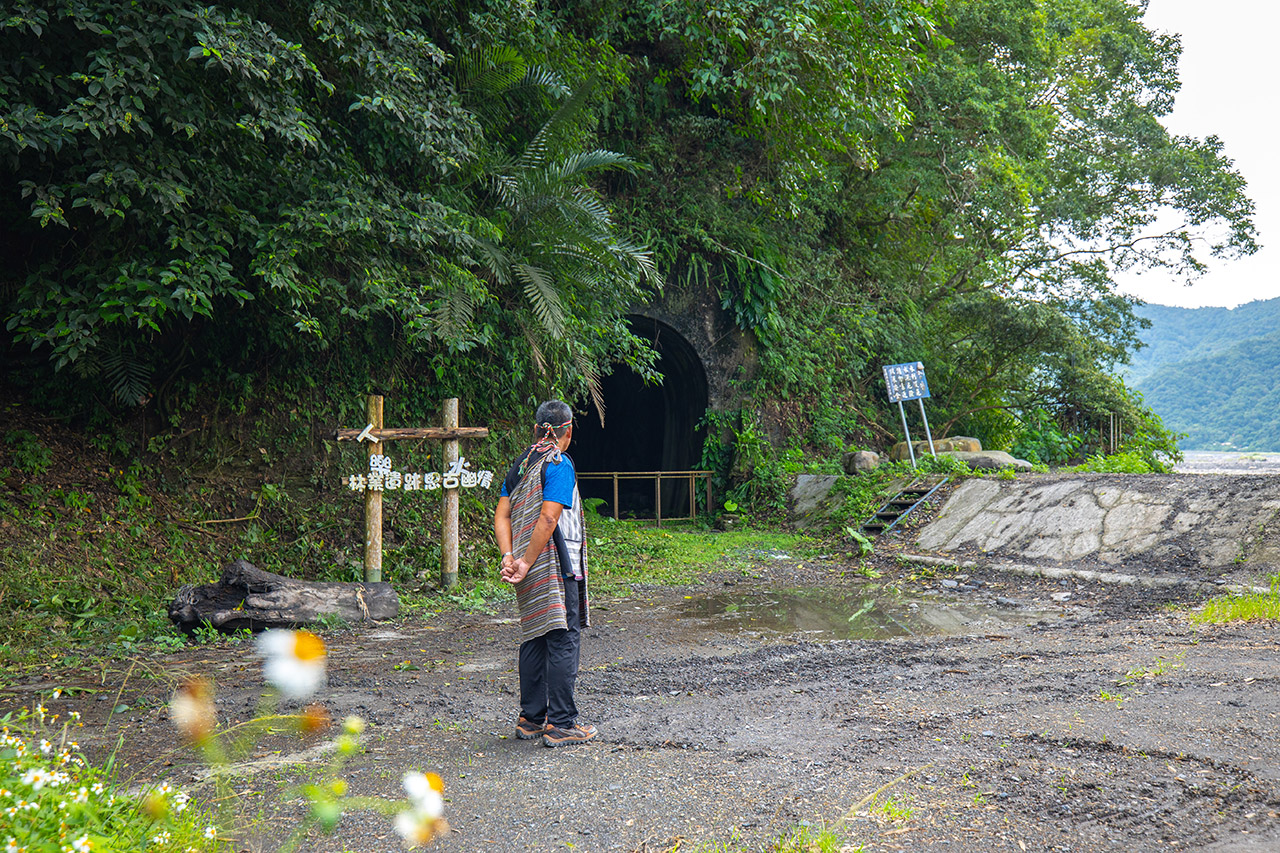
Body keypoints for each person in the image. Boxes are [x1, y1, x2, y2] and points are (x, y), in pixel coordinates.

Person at [492, 399, 595, 747]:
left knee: (535, 637)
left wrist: (511, 556)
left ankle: (531, 719)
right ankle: (562, 723)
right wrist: (526, 561)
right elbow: (549, 518)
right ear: (566, 433)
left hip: (526, 562)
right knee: (563, 637)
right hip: (552, 563)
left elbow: (501, 516)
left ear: (536, 429)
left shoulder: (521, 465)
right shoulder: (559, 464)